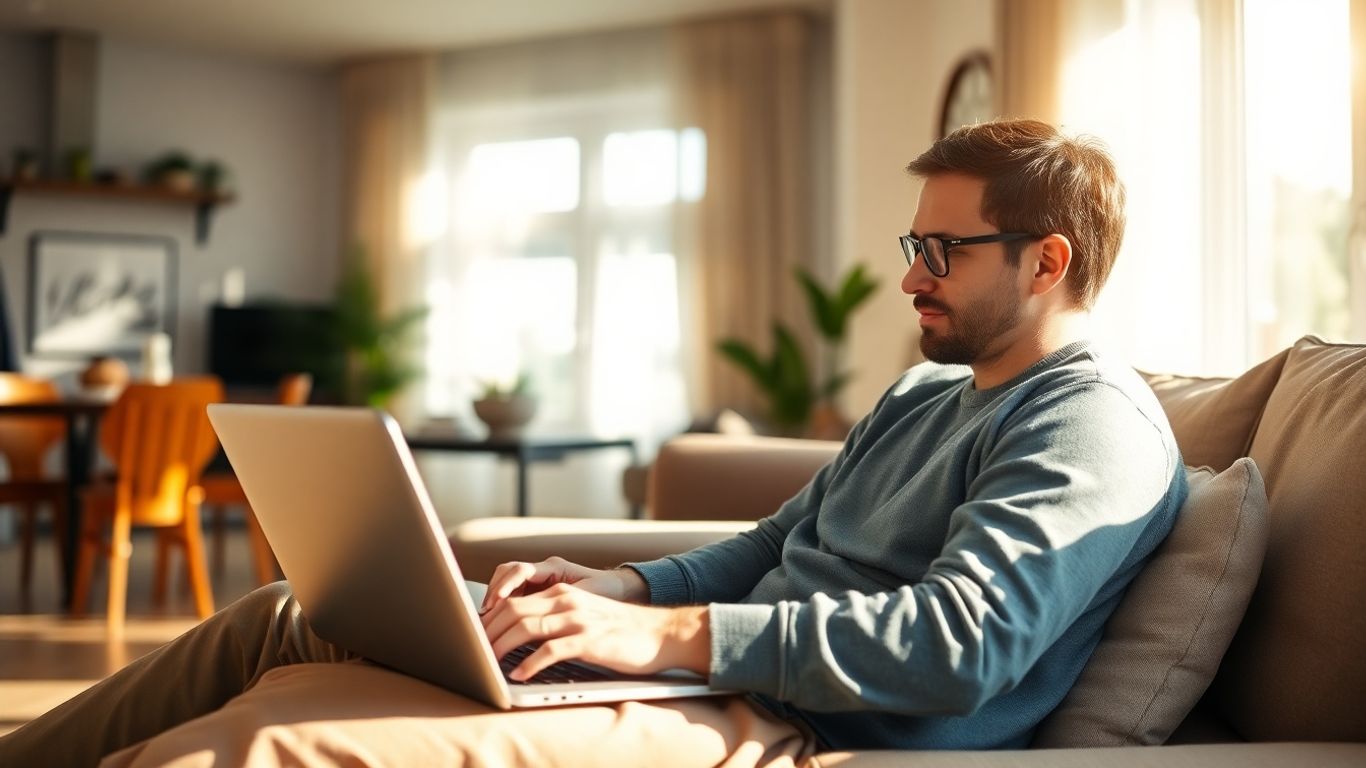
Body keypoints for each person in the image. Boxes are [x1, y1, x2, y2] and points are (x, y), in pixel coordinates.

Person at [0, 119, 1186, 766]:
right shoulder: (927, 397)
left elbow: (959, 647)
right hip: (718, 671)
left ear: (1047, 260)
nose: (908, 275)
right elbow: (774, 539)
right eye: (912, 243)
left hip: (803, 720)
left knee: (280, 742)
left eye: (943, 251)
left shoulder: (1087, 421)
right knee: (284, 616)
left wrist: (658, 635)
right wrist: (613, 587)